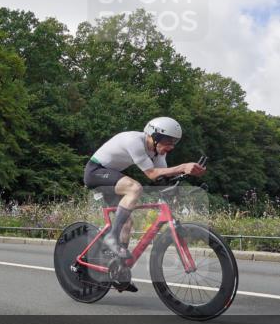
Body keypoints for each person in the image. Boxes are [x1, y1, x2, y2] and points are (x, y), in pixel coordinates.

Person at [83, 117, 206, 292]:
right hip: (95, 171)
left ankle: (120, 269)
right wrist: (183, 166)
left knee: (127, 222)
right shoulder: (134, 141)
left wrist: (190, 180)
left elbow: (162, 179)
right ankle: (111, 237)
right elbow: (152, 174)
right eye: (168, 141)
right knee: (134, 188)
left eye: (174, 142)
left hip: (111, 175)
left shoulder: (157, 153)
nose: (171, 146)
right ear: (153, 136)